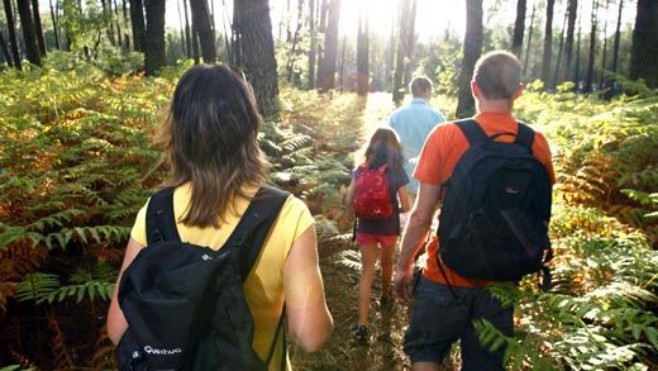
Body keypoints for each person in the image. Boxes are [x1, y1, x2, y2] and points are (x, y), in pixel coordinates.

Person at [106, 64, 333, 369]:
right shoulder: (288, 215)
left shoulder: (155, 212)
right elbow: (310, 335)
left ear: (177, 132)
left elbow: (117, 328)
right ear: (250, 127)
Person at [394, 51, 556, 370]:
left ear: (473, 88)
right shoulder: (536, 143)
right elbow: (537, 215)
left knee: (426, 352)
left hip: (446, 274)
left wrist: (404, 266)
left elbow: (422, 217)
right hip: (502, 280)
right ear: (518, 91)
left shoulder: (447, 135)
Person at [345, 127, 410, 344]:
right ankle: (385, 295)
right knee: (387, 262)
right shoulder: (396, 170)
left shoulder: (360, 169)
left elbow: (348, 201)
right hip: (388, 227)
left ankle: (362, 325)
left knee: (366, 271)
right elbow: (406, 204)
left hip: (365, 226)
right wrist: (393, 210)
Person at [387, 76, 446, 204]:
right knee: (426, 221)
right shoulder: (437, 117)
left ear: (411, 91)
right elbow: (444, 150)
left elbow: (387, 149)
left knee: (404, 220)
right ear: (427, 91)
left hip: (401, 178)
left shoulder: (395, 116)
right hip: (430, 179)